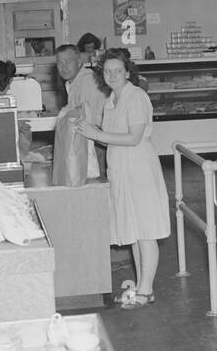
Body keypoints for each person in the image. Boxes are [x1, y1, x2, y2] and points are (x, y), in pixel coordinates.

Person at [75, 48, 171, 308]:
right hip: (121, 169)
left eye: (119, 71)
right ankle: (141, 285)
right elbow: (110, 132)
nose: (113, 75)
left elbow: (134, 137)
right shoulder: (111, 99)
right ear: (101, 74)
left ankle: (146, 290)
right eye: (108, 71)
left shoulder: (136, 97)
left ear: (128, 72)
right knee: (134, 230)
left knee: (146, 231)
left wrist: (96, 134)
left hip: (139, 168)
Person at [55, 43, 107, 179]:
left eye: (68, 61)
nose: (63, 67)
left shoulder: (88, 81)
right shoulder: (72, 82)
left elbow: (96, 121)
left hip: (96, 145)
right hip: (86, 141)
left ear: (79, 62)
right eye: (59, 62)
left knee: (95, 186)